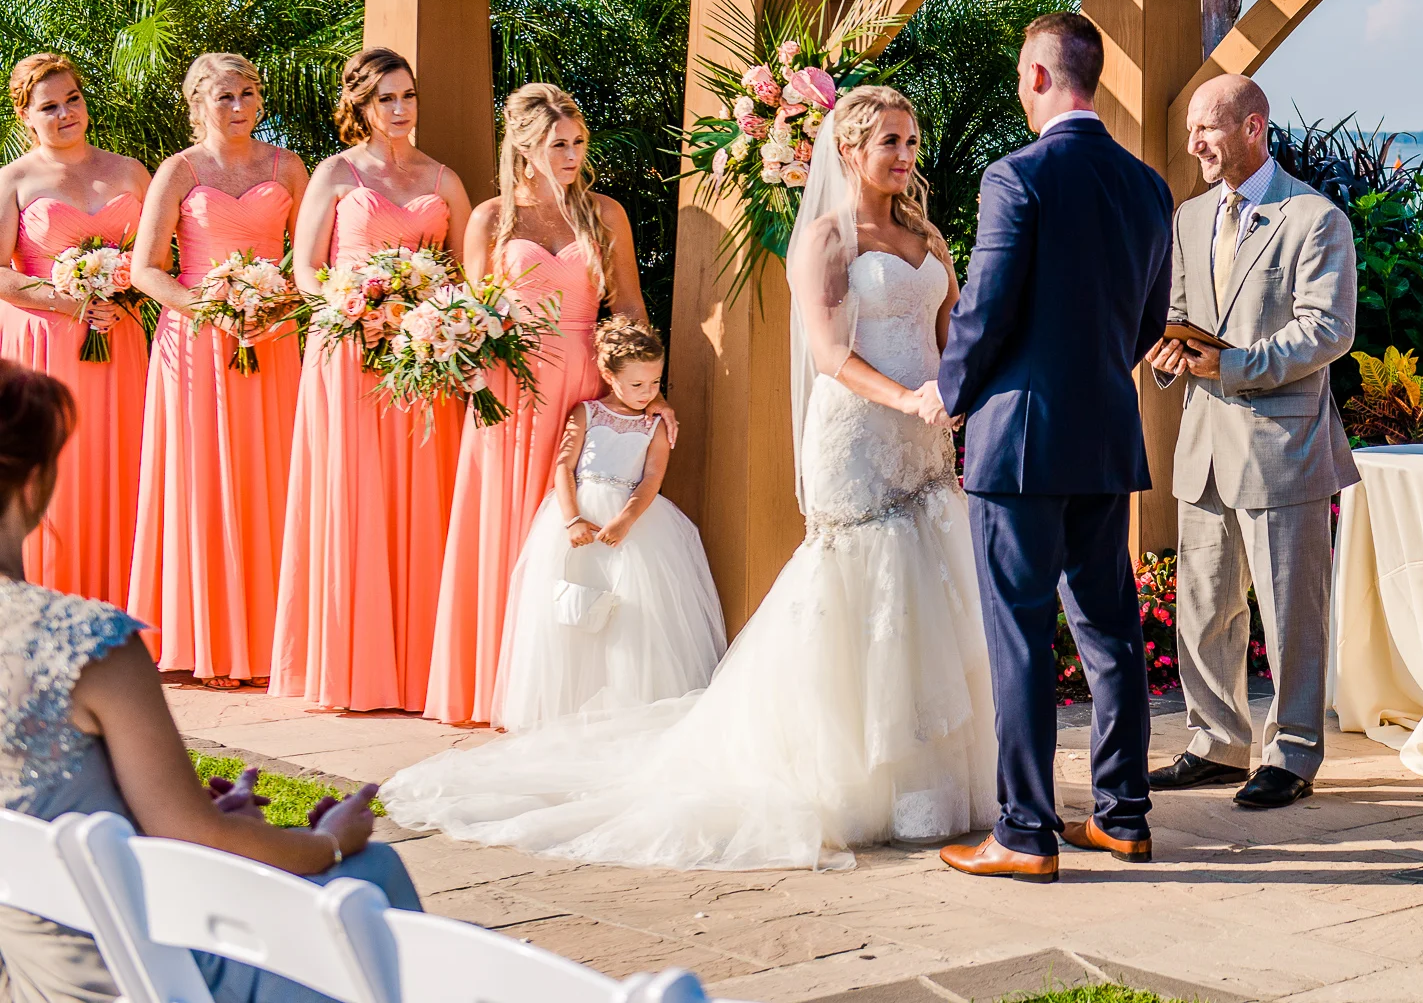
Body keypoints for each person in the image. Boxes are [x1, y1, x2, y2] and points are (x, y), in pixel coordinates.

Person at [382, 86, 997, 870]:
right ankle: (850, 776)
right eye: (892, 143)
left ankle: (931, 784)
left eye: (912, 142)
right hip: (860, 433)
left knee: (929, 591)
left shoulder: (927, 232)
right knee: (859, 595)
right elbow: (829, 353)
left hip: (926, 441)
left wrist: (953, 397)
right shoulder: (825, 239)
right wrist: (907, 397)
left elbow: (945, 331)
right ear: (850, 150)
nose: (907, 157)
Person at [0, 357, 421, 1003]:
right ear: (33, 483)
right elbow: (191, 836)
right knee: (372, 869)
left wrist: (188, 816)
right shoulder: (82, 640)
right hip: (147, 972)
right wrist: (327, 841)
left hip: (33, 969)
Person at [922, 13, 1173, 882]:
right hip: (1105, 436)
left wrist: (948, 395)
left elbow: (985, 308)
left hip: (1019, 446)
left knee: (1022, 635)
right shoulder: (1147, 187)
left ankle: (1024, 831)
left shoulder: (1015, 176)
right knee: (1110, 632)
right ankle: (1123, 816)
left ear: (1037, 75)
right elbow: (1147, 321)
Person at [1143, 73, 1357, 811]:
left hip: (1282, 448)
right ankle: (1217, 740)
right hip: (1203, 448)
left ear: (1254, 127)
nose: (1194, 142)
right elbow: (1176, 311)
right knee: (1204, 607)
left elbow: (1328, 329)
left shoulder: (1315, 218)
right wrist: (1169, 358)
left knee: (1291, 612)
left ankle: (1293, 752)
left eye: (1207, 127)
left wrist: (1232, 367)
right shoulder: (1191, 215)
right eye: (1193, 129)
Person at [424, 83, 667, 726]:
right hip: (513, 386)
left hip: (589, 382)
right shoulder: (491, 219)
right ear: (526, 148)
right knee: (506, 519)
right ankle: (495, 683)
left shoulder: (604, 213)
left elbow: (629, 306)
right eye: (559, 144)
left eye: (579, 142)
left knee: (577, 518)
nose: (572, 154)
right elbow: (471, 314)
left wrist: (648, 390)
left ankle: (568, 686)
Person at [270, 50, 472, 713]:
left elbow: (466, 273)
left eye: (408, 95)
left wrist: (431, 317)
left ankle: (419, 666)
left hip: (423, 355)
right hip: (349, 350)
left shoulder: (443, 179)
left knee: (421, 493)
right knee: (354, 495)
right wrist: (351, 305)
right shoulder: (334, 173)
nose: (400, 108)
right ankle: (353, 666)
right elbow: (304, 269)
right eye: (386, 97)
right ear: (360, 105)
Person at [128, 54, 308, 689]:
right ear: (198, 104)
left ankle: (274, 642)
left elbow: (312, 258)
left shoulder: (288, 167)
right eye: (225, 96)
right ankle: (208, 641)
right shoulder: (179, 170)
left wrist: (276, 301)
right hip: (197, 342)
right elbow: (145, 269)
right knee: (203, 479)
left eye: (249, 94)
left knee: (274, 477)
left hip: (272, 334)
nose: (239, 107)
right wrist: (207, 306)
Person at [489, 316, 724, 731]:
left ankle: (627, 708)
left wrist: (626, 520)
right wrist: (571, 517)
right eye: (637, 385)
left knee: (628, 610)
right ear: (609, 375)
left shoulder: (656, 423)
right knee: (571, 605)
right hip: (578, 516)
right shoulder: (586, 413)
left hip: (630, 525)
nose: (647, 392)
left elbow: (652, 477)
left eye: (654, 383)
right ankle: (569, 706)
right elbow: (564, 465)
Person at [0, 56, 150, 605]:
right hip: (46, 342)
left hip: (119, 337)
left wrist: (123, 292)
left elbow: (156, 257)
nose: (66, 113)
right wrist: (70, 302)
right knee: (55, 471)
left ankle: (121, 607)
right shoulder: (13, 180)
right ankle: (46, 606)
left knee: (123, 464)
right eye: (49, 107)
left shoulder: (130, 171)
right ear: (26, 118)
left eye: (73, 99)